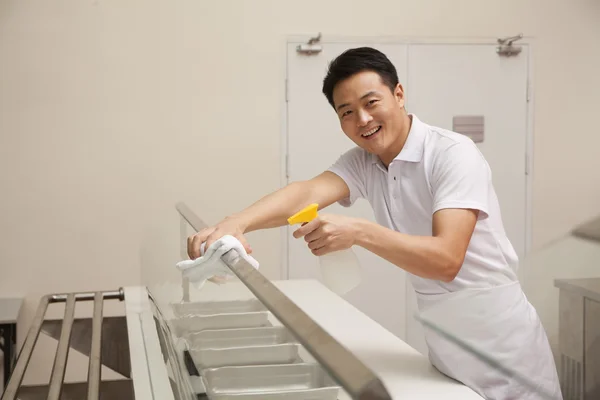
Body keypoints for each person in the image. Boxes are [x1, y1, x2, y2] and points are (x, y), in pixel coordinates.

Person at [187, 47, 562, 400]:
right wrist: (236, 223)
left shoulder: (452, 154)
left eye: (371, 103)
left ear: (398, 94)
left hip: (506, 347)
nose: (362, 120)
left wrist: (360, 232)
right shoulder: (364, 161)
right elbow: (304, 193)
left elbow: (447, 260)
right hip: (446, 345)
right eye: (346, 111)